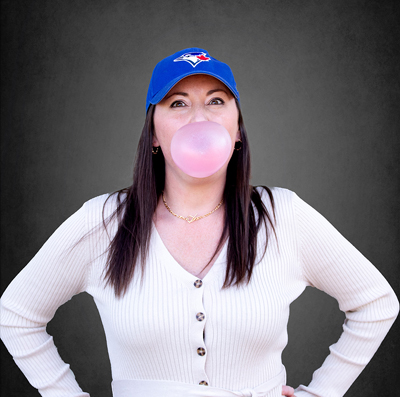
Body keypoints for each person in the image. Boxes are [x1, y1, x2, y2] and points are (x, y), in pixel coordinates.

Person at [0, 47, 398, 397]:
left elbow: (375, 303)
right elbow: (16, 314)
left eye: (216, 101)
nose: (198, 119)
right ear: (153, 134)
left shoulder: (282, 216)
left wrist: (321, 393)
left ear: (237, 128)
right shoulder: (105, 222)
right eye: (177, 103)